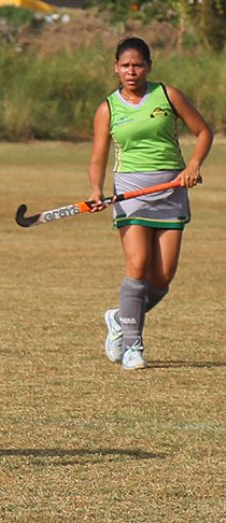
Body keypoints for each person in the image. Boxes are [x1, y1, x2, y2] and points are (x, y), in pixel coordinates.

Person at [88, 37, 212, 370]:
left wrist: (193, 165)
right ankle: (133, 347)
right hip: (131, 193)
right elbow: (99, 156)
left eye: (138, 65)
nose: (132, 71)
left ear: (148, 66)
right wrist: (96, 190)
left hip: (171, 190)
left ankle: (119, 317)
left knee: (162, 279)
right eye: (125, 65)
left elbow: (204, 132)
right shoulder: (108, 108)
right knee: (138, 265)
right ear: (116, 67)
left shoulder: (167, 95)